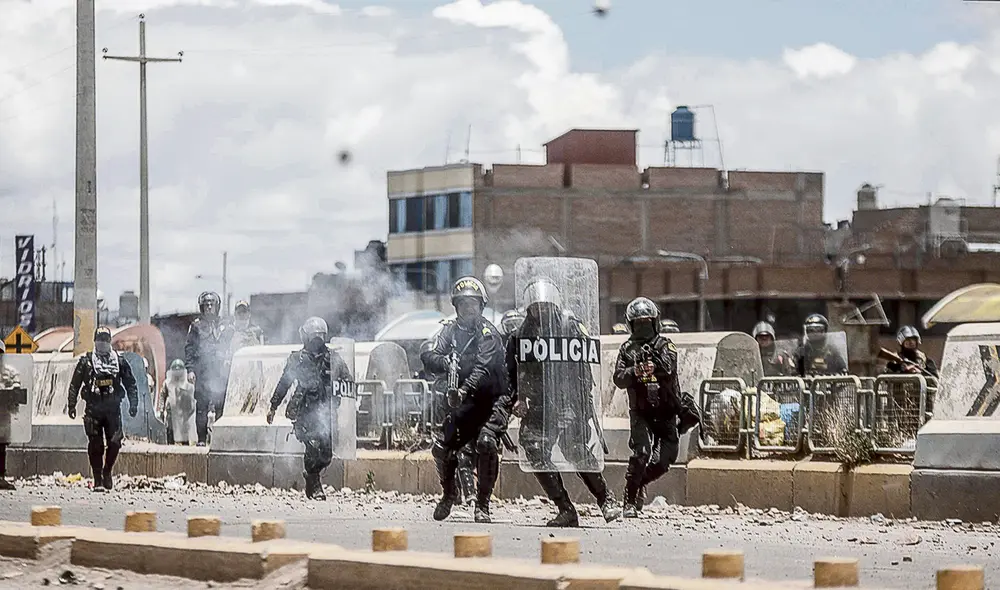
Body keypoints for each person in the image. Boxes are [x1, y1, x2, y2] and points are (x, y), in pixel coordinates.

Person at [507, 277, 621, 527]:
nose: (541, 311)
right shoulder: (520, 335)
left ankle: (606, 500)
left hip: (569, 401)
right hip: (538, 406)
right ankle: (565, 509)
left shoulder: (570, 328)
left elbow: (584, 373)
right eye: (536, 307)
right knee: (534, 449)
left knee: (576, 450)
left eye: (545, 306)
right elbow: (511, 373)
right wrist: (516, 400)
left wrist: (576, 406)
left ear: (555, 306)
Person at [421, 277, 507, 524]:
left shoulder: (488, 332)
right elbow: (430, 355)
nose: (468, 310)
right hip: (463, 401)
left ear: (481, 306)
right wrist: (446, 363)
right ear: (456, 307)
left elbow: (483, 368)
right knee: (441, 448)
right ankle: (449, 494)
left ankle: (483, 505)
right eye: (463, 305)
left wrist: (463, 390)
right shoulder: (450, 330)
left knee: (486, 443)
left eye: (473, 305)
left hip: (490, 398)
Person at [614, 297, 700, 517]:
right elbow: (618, 378)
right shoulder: (626, 349)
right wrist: (637, 371)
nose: (643, 326)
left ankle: (638, 483)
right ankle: (630, 500)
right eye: (638, 322)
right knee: (641, 453)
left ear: (655, 322)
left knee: (664, 461)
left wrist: (653, 365)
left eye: (646, 322)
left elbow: (669, 368)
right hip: (641, 412)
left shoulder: (665, 344)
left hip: (665, 410)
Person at [267, 317, 353, 500]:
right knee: (313, 447)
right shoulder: (297, 359)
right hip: (305, 412)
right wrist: (273, 406)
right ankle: (315, 485)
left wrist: (348, 393)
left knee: (327, 454)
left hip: (327, 413)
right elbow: (284, 383)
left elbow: (348, 380)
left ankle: (311, 476)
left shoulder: (333, 358)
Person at [67, 327, 139, 492]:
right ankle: (98, 477)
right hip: (93, 408)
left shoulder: (119, 361)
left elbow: (130, 383)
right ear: (95, 341)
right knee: (96, 444)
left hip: (113, 409)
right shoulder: (86, 361)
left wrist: (133, 403)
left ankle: (107, 471)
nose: (102, 343)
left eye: (105, 339)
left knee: (115, 442)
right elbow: (75, 384)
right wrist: (71, 404)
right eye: (100, 339)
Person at [185, 291, 235, 445]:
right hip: (203, 371)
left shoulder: (226, 326)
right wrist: (190, 370)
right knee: (201, 407)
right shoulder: (196, 326)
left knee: (221, 407)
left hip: (220, 372)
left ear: (217, 306)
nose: (209, 307)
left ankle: (219, 440)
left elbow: (232, 345)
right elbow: (190, 349)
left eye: (212, 304)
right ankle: (201, 440)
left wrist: (229, 360)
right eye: (206, 304)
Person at [0, 341, 23, 490]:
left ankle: (0, 476)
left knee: (1, 447)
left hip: (3, 416)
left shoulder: (10, 371)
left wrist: (12, 389)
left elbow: (17, 390)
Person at [159, 359, 197, 445]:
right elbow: (162, 396)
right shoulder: (167, 382)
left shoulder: (187, 383)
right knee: (170, 434)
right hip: (171, 414)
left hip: (183, 415)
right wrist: (161, 410)